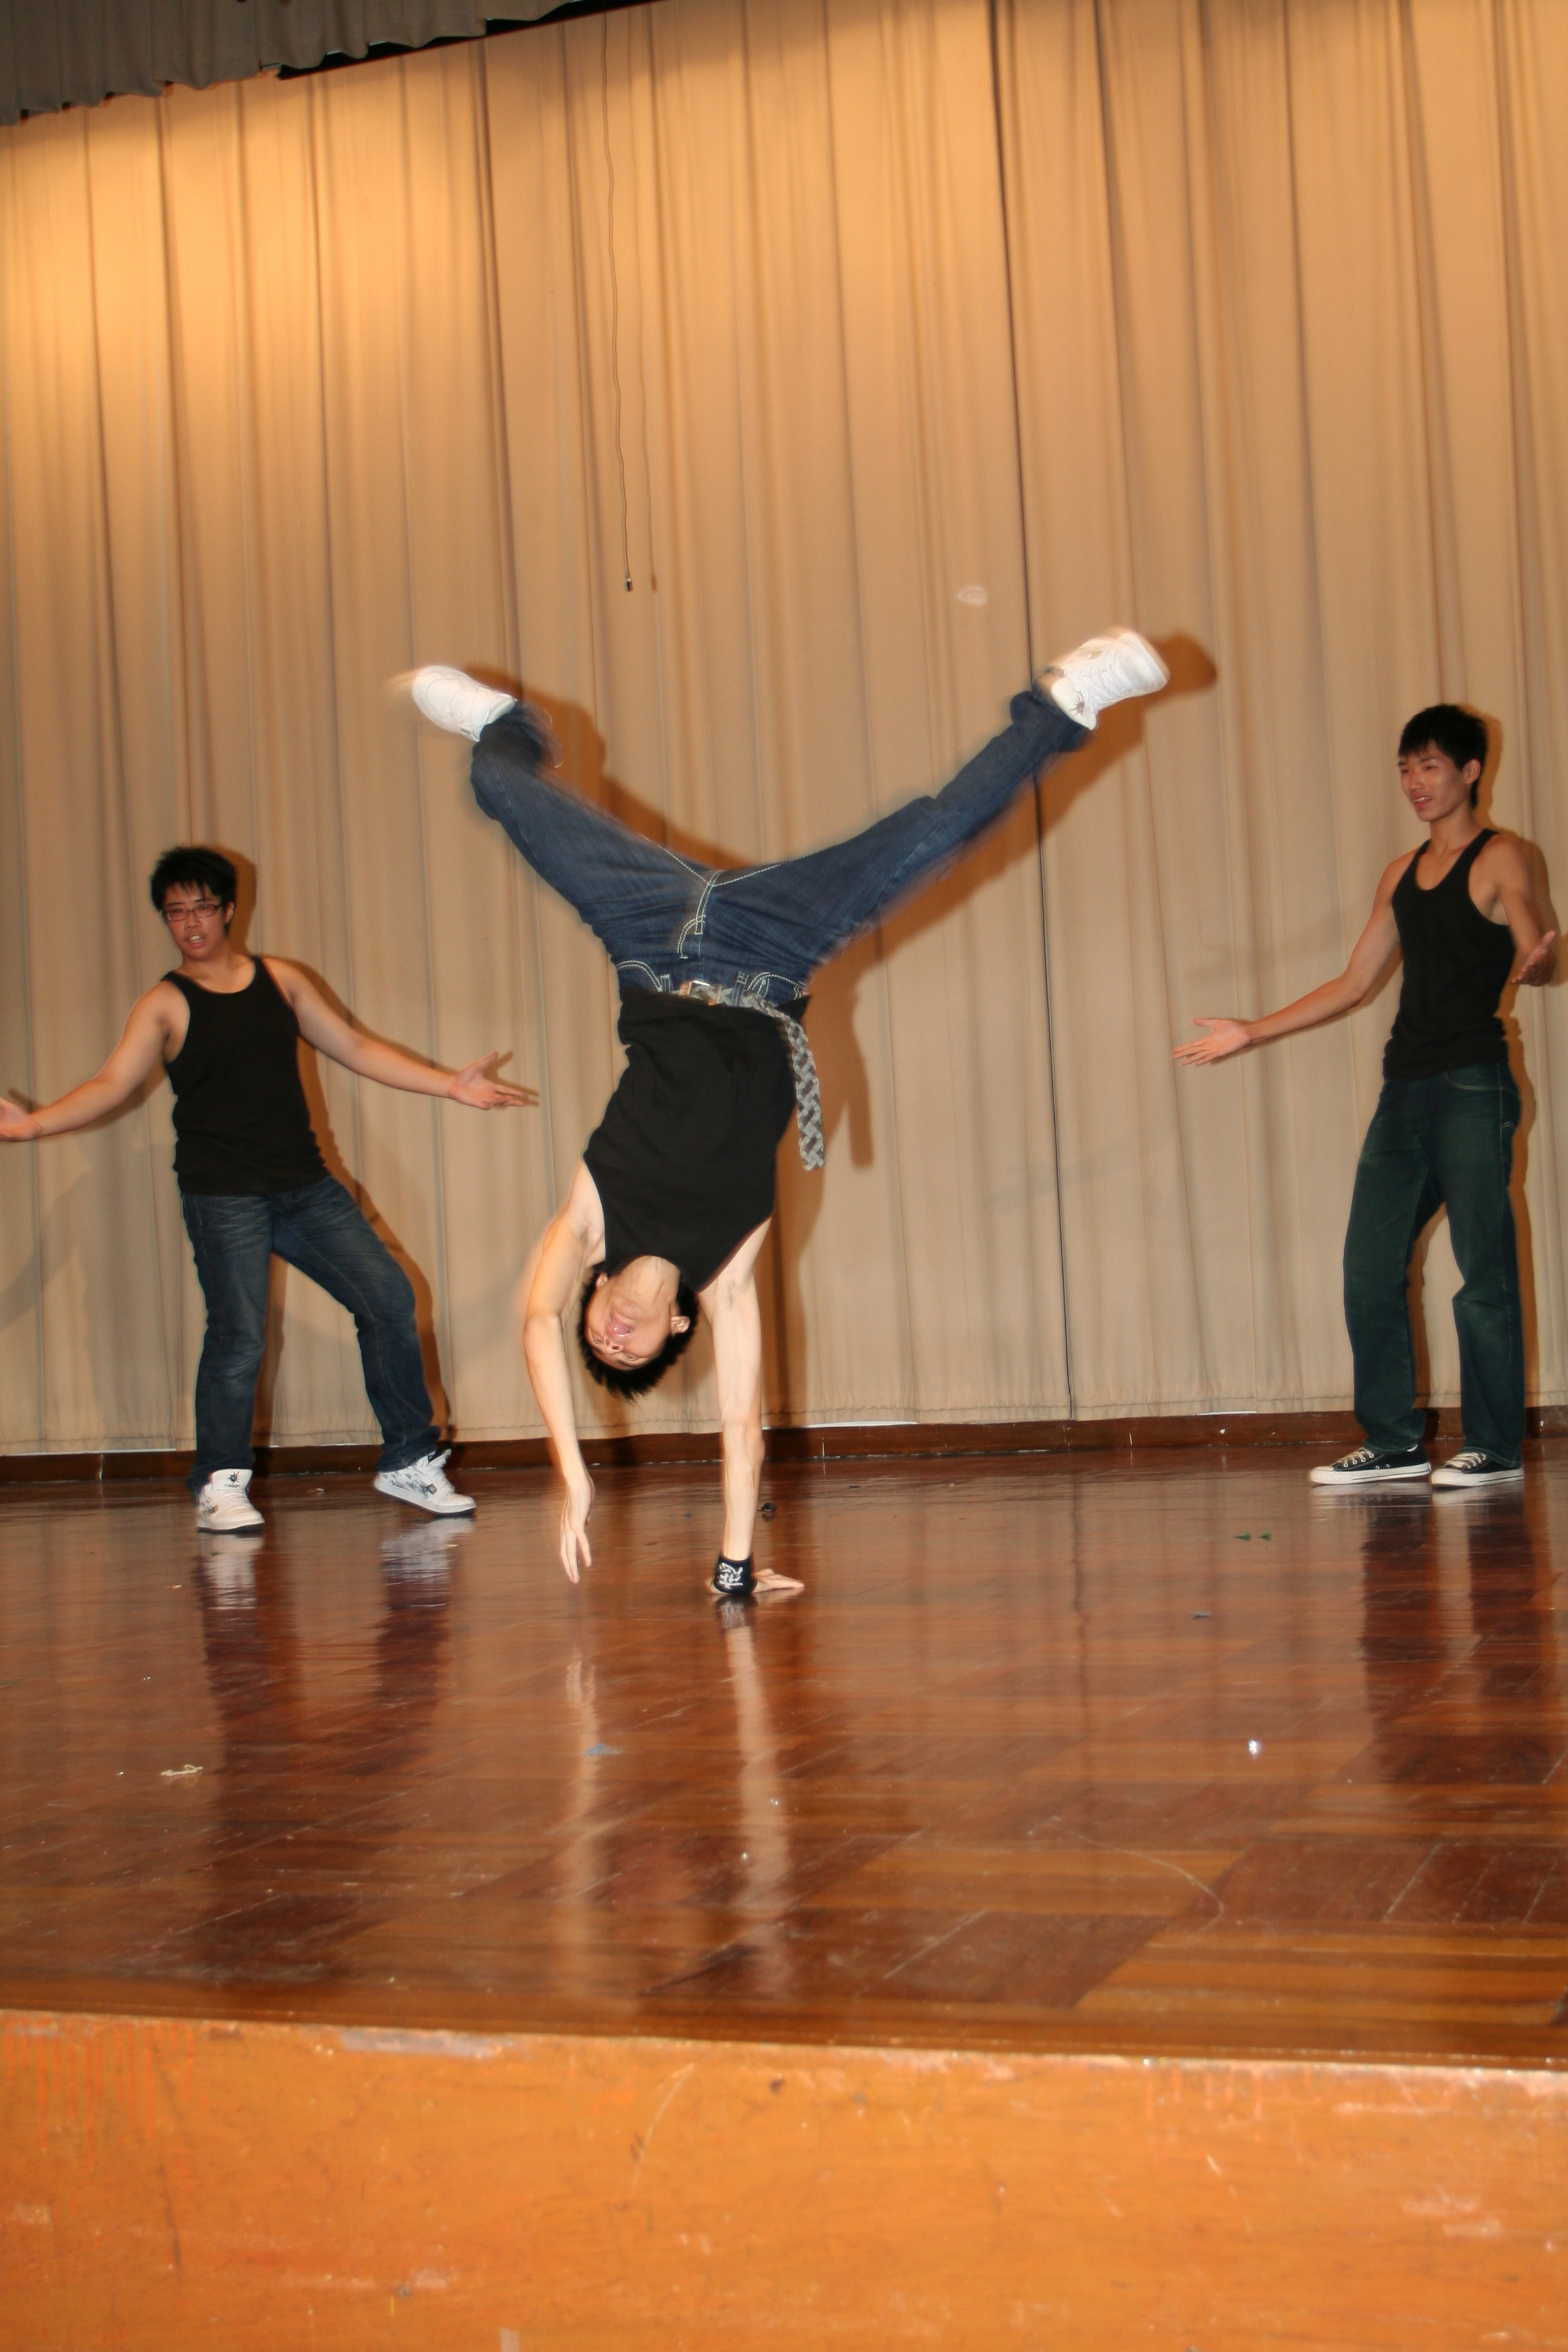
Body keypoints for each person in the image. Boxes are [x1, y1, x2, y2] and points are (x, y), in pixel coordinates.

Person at [408, 630, 1168, 1596]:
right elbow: (741, 1427)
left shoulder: (591, 1221)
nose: (610, 1335)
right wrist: (735, 1568)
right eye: (630, 1350)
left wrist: (571, 1471)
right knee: (935, 835)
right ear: (676, 1329)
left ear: (591, 1296)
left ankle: (506, 726)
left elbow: (530, 1319)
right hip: (773, 948)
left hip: (648, 933)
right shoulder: (728, 1276)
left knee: (502, 788)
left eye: (595, 1334)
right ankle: (1064, 705)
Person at [0, 849, 533, 1530]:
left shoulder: (281, 981)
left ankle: (408, 1462)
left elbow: (356, 1048)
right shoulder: (165, 1004)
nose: (191, 923)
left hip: (306, 1186)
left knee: (389, 1299)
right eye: (176, 912)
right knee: (239, 1335)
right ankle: (220, 1483)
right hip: (224, 1195)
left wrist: (449, 1085)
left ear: (228, 910)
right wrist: (35, 1124)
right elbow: (112, 1083)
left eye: (202, 907)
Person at [1175, 704, 1555, 1490]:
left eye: (1430, 766)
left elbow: (1532, 938)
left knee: (1483, 1269)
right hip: (1404, 1090)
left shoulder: (1501, 856)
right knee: (1369, 1266)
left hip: (1473, 1084)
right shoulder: (1398, 874)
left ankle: (1494, 1447)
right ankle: (1394, 1442)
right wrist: (1252, 1030)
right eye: (1405, 768)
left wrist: (1540, 959)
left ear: (1470, 772)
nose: (1415, 782)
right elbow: (1354, 983)